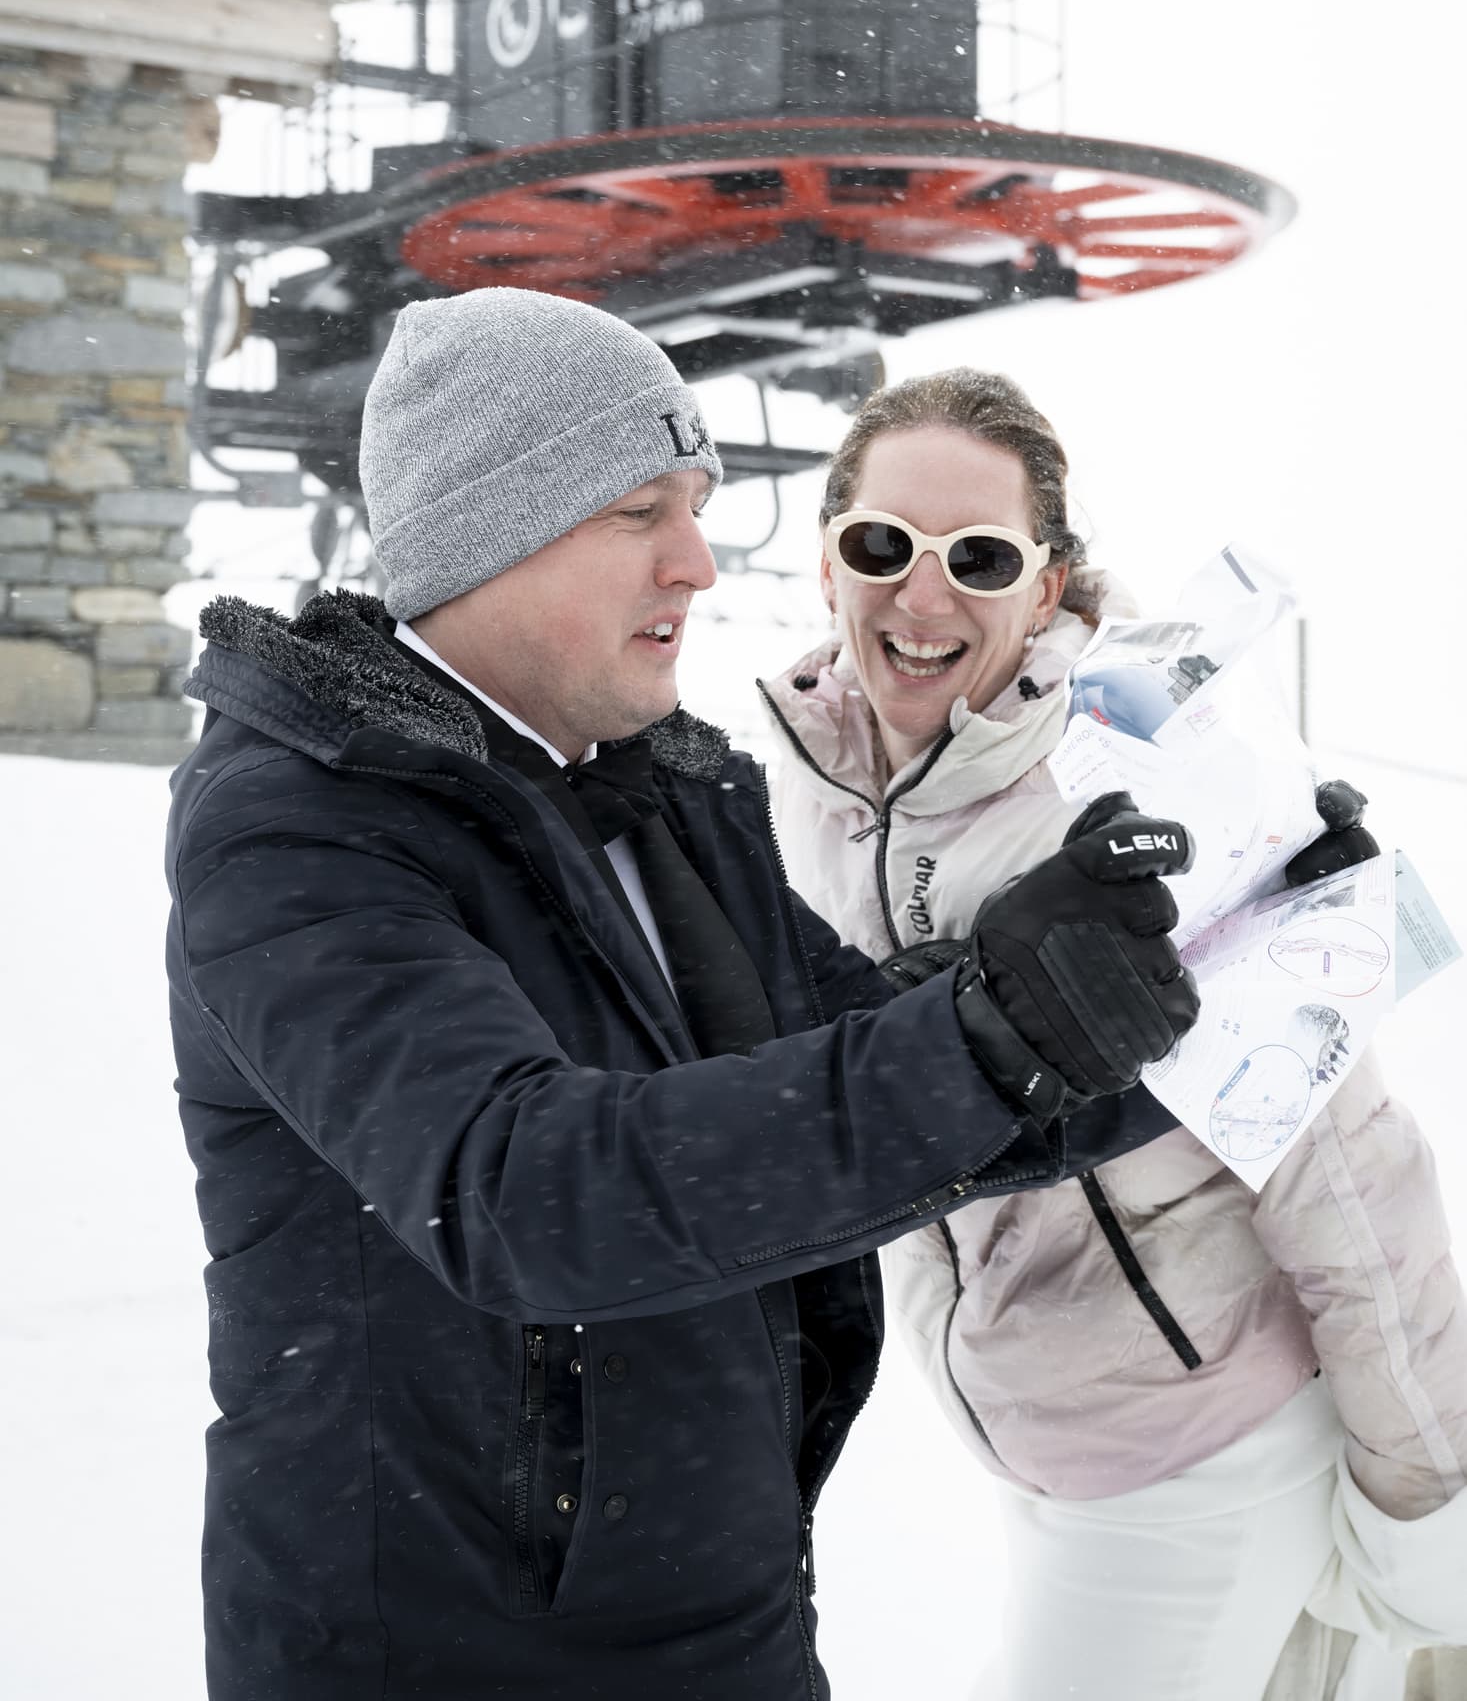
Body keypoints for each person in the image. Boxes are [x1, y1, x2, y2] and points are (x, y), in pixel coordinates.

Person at [164, 292, 1201, 1701]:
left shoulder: (666, 791)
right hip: (449, 1660)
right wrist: (994, 1034)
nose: (700, 564)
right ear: (494, 527)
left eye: (697, 505)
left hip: (733, 1625)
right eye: (642, 511)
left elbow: (858, 1057)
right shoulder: (300, 830)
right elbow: (524, 1187)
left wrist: (1196, 968)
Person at [761, 366, 1467, 1701]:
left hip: (1204, 1448)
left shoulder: (1150, 781)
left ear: (1046, 587)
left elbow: (1348, 1160)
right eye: (880, 547)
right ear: (824, 562)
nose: (920, 598)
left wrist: (1427, 1496)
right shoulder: (812, 782)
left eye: (977, 557)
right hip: (1041, 1436)